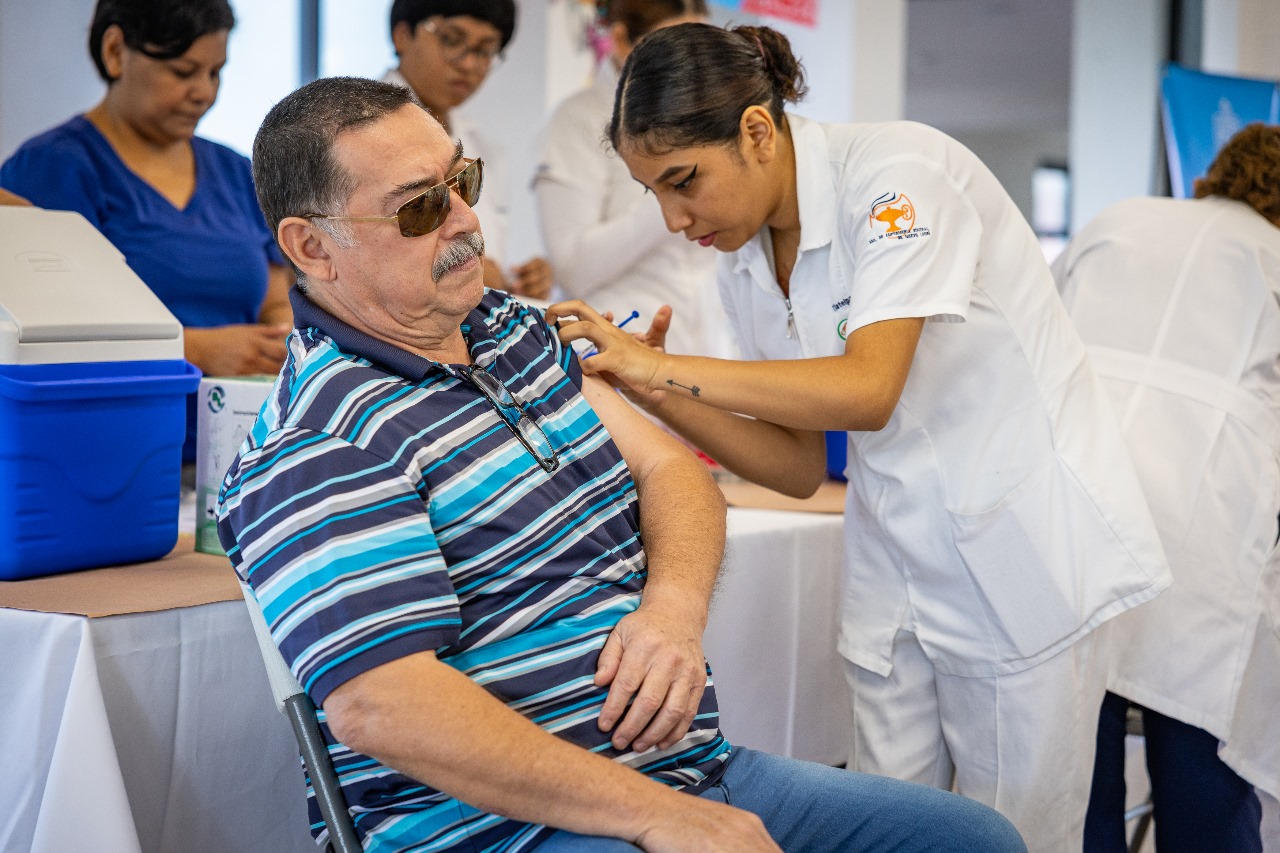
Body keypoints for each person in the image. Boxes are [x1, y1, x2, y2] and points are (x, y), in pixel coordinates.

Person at [216, 75, 1027, 853]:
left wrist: (670, 611)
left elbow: (672, 472)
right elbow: (381, 706)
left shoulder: (514, 332)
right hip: (505, 831)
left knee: (973, 838)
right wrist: (656, 815)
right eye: (422, 206)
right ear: (312, 247)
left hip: (685, 775)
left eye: (462, 180)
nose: (465, 220)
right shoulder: (318, 438)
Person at [546, 23, 1172, 853]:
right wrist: (650, 386)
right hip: (896, 561)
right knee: (892, 827)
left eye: (682, 180)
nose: (671, 217)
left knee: (1012, 835)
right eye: (651, 191)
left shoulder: (898, 177)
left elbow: (867, 389)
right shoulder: (740, 261)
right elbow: (799, 463)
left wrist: (666, 369)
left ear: (758, 133)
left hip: (1019, 557)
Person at [1053, 123, 1280, 853]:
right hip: (1206, 547)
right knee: (1202, 782)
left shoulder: (1121, 220)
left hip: (1074, 516)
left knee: (1074, 784)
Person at [0, 0, 291, 462]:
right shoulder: (55, 169)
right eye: (183, 71)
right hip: (110, 448)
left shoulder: (236, 172)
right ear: (116, 51)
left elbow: (275, 294)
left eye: (215, 72)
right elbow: (43, 336)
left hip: (234, 454)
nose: (203, 92)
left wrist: (280, 333)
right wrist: (195, 349)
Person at [532, 0, 732, 357]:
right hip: (615, 344)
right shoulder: (577, 119)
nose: (688, 64)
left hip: (706, 346)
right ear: (622, 40)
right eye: (671, 46)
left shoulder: (706, 118)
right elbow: (573, 267)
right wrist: (677, 188)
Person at [384, 0, 553, 300]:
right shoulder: (363, 134)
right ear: (403, 35)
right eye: (451, 39)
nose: (469, 63)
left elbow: (489, 259)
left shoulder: (485, 149)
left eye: (485, 50)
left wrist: (519, 280)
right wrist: (470, 268)